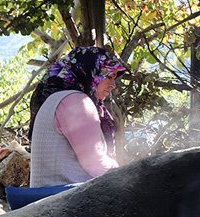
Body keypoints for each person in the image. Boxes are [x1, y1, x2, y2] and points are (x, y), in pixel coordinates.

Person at [28, 46, 128, 187]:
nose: (113, 85)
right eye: (109, 76)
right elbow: (95, 163)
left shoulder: (58, 98)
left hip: (52, 194)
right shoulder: (76, 102)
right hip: (64, 196)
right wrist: (126, 175)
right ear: (90, 70)